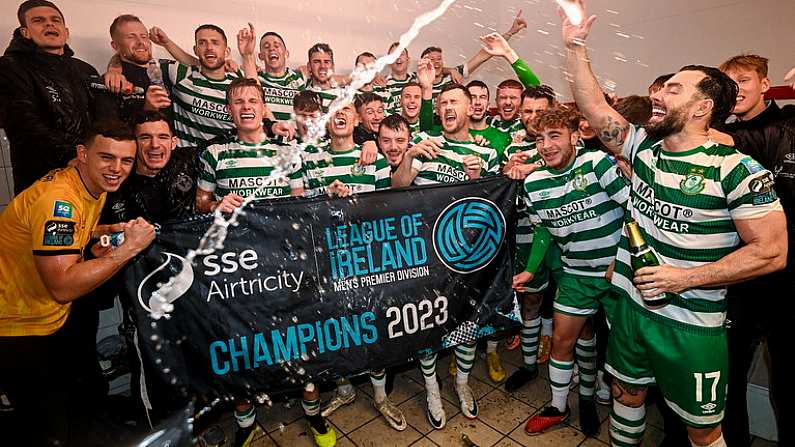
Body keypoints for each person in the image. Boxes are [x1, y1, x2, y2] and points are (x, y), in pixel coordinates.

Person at [563, 3, 788, 446]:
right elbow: (592, 107)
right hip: (629, 306)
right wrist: (574, 46)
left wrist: (685, 278)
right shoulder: (644, 149)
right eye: (662, 87)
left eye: (674, 89)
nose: (659, 95)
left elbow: (772, 252)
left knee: (702, 432)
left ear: (703, 107)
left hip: (690, 325)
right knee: (626, 394)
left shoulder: (737, 169)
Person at [0, 119, 156, 446]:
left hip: (49, 318)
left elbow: (71, 233)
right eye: (107, 158)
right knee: (48, 428)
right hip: (18, 329)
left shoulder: (90, 185)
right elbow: (63, 286)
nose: (117, 169)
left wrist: (106, 232)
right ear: (82, 154)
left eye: (126, 160)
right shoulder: (60, 203)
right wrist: (130, 248)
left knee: (76, 410)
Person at [512, 107, 629, 437]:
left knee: (620, 349)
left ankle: (592, 400)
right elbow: (542, 231)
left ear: (575, 136)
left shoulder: (597, 163)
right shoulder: (534, 183)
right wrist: (531, 271)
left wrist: (621, 260)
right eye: (539, 139)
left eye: (554, 136)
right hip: (575, 274)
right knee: (563, 341)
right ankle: (559, 406)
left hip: (617, 273)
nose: (546, 145)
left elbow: (634, 210)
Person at [392, 83, 499, 429]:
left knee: (467, 324)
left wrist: (478, 179)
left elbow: (493, 206)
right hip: (425, 259)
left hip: (467, 259)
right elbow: (397, 188)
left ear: (470, 108)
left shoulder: (486, 152)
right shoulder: (427, 144)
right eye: (441, 103)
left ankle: (462, 383)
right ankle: (432, 388)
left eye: (454, 101)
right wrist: (410, 155)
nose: (447, 107)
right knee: (427, 325)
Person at [715, 54, 795, 447]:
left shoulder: (790, 125)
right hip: (739, 279)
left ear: (765, 84)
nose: (737, 89)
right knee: (727, 385)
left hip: (788, 282)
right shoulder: (720, 133)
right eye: (728, 83)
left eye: (744, 80)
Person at [0, 0, 102, 194]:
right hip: (41, 180)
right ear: (25, 32)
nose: (49, 24)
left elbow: (104, 120)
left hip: (91, 178)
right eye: (39, 20)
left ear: (66, 31)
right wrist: (75, 156)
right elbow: (23, 124)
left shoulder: (85, 70)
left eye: (55, 20)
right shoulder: (9, 67)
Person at [196, 77, 304, 214]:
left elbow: (299, 206)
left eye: (253, 101)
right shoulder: (213, 153)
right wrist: (215, 206)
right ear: (229, 110)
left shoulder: (289, 153)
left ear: (264, 109)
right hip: (234, 234)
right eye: (238, 102)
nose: (246, 107)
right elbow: (200, 204)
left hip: (280, 234)